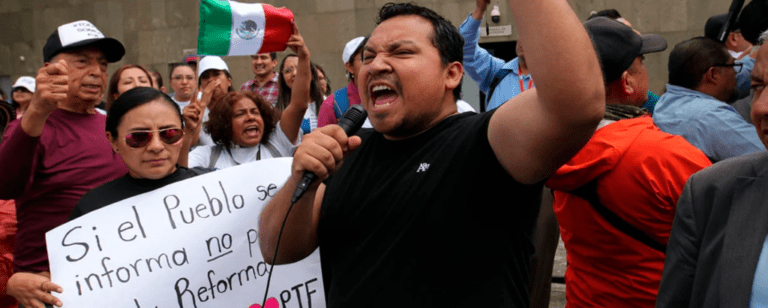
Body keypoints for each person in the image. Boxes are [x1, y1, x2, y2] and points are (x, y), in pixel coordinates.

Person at [259, 1, 604, 306]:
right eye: (368, 57)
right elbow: (275, 248)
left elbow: (574, 104)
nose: (376, 65)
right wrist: (299, 177)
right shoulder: (347, 155)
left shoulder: (486, 140)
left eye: (402, 52)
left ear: (452, 73)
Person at [546, 17, 711, 308]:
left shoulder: (556, 149)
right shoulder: (666, 155)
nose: (646, 69)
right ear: (627, 81)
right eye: (642, 61)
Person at [0, 20, 128, 308]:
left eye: (103, 64)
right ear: (49, 69)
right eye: (82, 62)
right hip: (50, 292)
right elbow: (6, 185)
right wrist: (37, 112)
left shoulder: (114, 125)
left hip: (117, 281)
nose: (96, 72)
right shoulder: (32, 126)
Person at [656, 29, 768, 308]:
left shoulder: (665, 104)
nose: (760, 107)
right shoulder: (710, 120)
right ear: (714, 76)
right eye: (757, 87)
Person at [187, 22, 310, 170]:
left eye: (255, 112)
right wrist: (188, 131)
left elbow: (298, 105)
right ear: (225, 124)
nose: (250, 117)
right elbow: (178, 172)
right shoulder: (208, 156)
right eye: (240, 114)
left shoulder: (277, 143)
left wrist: (303, 56)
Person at [653, 37, 763, 162]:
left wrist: (759, 55)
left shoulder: (667, 101)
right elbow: (763, 152)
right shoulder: (710, 117)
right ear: (713, 74)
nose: (735, 72)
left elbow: (742, 75)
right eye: (733, 66)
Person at [460, 0, 533, 111]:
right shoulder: (497, 72)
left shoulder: (553, 78)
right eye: (521, 34)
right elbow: (464, 47)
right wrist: (480, 10)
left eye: (528, 35)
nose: (522, 41)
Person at [317, 36, 366, 128]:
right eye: (365, 57)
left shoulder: (392, 97)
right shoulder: (333, 105)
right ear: (350, 67)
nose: (374, 63)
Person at [275, 53, 325, 135]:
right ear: (283, 78)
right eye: (288, 71)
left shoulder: (329, 103)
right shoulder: (276, 109)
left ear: (312, 74)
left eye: (300, 68)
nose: (294, 73)